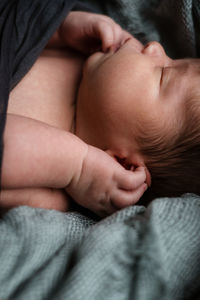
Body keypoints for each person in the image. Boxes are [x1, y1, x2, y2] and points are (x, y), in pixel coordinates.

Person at [1, 9, 200, 216]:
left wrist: (78, 167)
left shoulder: (53, 188)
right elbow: (19, 24)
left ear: (124, 164)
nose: (154, 47)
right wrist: (60, 28)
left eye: (163, 73)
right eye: (173, 59)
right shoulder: (81, 56)